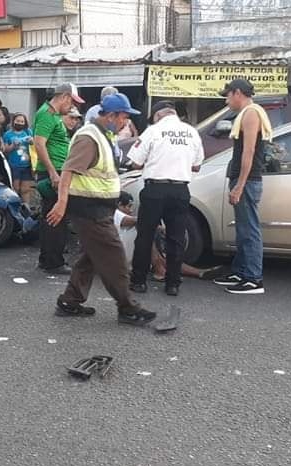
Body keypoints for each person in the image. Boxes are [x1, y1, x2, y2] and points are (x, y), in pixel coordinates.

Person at [46, 93, 156, 326]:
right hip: (89, 209)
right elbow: (68, 170)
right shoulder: (89, 138)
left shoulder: (103, 135)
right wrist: (61, 202)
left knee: (93, 257)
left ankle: (70, 301)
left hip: (98, 208)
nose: (126, 122)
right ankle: (128, 308)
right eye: (124, 117)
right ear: (111, 116)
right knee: (114, 258)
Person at [126, 100, 204, 296]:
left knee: (145, 235)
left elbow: (135, 163)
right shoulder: (192, 132)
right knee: (176, 238)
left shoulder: (153, 131)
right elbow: (196, 166)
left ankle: (138, 281)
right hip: (180, 191)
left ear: (158, 115)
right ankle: (173, 284)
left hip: (155, 190)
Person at [212, 79, 272, 295]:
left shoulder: (251, 113)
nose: (227, 100)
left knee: (249, 231)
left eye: (228, 95)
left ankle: (253, 279)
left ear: (238, 93)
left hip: (247, 180)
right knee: (242, 230)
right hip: (244, 179)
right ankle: (240, 272)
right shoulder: (248, 113)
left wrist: (239, 185)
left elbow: (248, 151)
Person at [34, 83, 83, 274]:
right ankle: (53, 262)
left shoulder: (52, 115)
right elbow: (39, 144)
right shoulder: (46, 114)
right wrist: (54, 173)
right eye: (71, 101)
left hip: (57, 171)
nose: (71, 107)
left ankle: (48, 259)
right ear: (64, 96)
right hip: (53, 173)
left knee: (52, 217)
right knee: (56, 217)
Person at [2, 113, 34, 204]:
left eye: (22, 121)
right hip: (14, 165)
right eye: (18, 121)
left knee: (26, 189)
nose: (20, 123)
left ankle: (26, 208)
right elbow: (5, 150)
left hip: (26, 165)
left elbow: (34, 145)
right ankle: (16, 208)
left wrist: (32, 142)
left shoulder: (28, 132)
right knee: (15, 188)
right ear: (13, 121)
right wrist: (13, 146)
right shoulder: (7, 134)